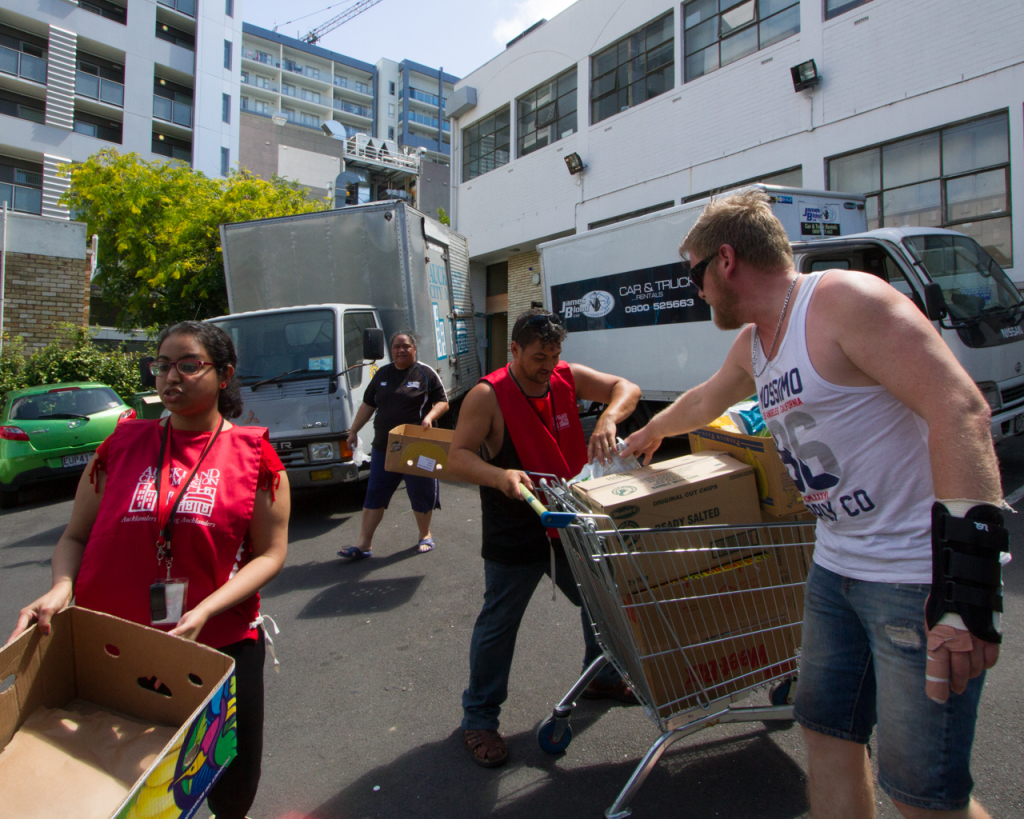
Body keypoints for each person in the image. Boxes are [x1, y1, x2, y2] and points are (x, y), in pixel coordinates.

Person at [621, 189, 1006, 819]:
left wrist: (967, 595)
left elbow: (960, 407)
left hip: (912, 579)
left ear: (725, 261)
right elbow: (708, 396)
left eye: (694, 276)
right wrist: (650, 431)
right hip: (834, 570)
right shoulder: (754, 344)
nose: (696, 292)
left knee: (923, 796)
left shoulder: (841, 302)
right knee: (827, 734)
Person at [8, 321, 290, 819]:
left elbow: (271, 553)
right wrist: (60, 589)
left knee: (231, 782)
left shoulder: (254, 457)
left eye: (188, 365)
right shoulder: (120, 447)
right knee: (129, 785)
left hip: (217, 649)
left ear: (223, 376)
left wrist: (205, 609)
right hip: (117, 650)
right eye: (161, 365)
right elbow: (74, 536)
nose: (169, 377)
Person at [449, 308, 642, 768]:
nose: (546, 364)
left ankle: (603, 675)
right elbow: (455, 457)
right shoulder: (487, 396)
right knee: (499, 626)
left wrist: (609, 419)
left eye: (554, 354)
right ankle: (479, 718)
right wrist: (499, 475)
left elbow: (626, 389)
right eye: (537, 356)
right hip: (515, 532)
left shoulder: (565, 376)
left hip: (571, 522)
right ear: (513, 350)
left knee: (601, 601)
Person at [340, 330, 449, 559]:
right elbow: (367, 406)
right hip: (384, 446)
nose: (401, 350)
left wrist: (429, 417)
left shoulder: (425, 373)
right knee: (375, 493)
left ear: (414, 349)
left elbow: (442, 402)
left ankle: (424, 534)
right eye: (396, 347)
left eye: (406, 346)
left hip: (417, 445)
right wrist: (353, 431)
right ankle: (364, 544)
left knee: (421, 491)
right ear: (391, 351)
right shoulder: (382, 374)